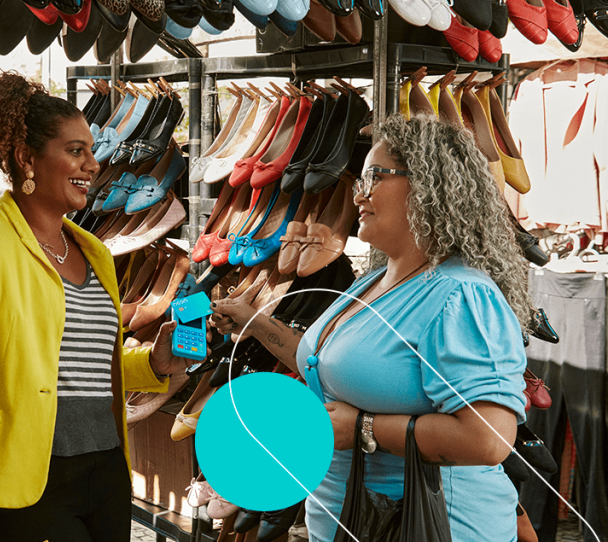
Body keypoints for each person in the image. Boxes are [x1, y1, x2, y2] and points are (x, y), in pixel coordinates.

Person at [0, 71, 194, 542]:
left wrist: (151, 362)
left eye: (92, 151)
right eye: (76, 151)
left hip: (107, 469)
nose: (93, 165)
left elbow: (82, 364)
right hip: (26, 474)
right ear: (26, 158)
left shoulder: (92, 249)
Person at [210, 115, 532, 541]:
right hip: (356, 520)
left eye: (375, 177)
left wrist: (365, 428)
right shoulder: (376, 280)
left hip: (433, 525)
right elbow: (338, 369)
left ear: (428, 185)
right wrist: (260, 328)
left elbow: (488, 439)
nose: (359, 194)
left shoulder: (459, 295)